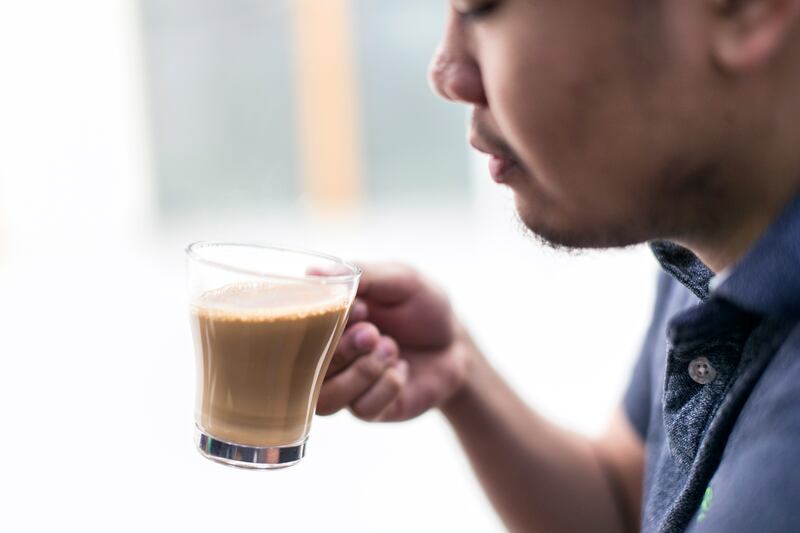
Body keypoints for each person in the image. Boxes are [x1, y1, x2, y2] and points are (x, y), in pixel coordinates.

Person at [317, 1, 800, 531]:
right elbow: (625, 505)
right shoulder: (715, 230)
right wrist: (462, 374)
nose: (447, 74)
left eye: (482, 8)